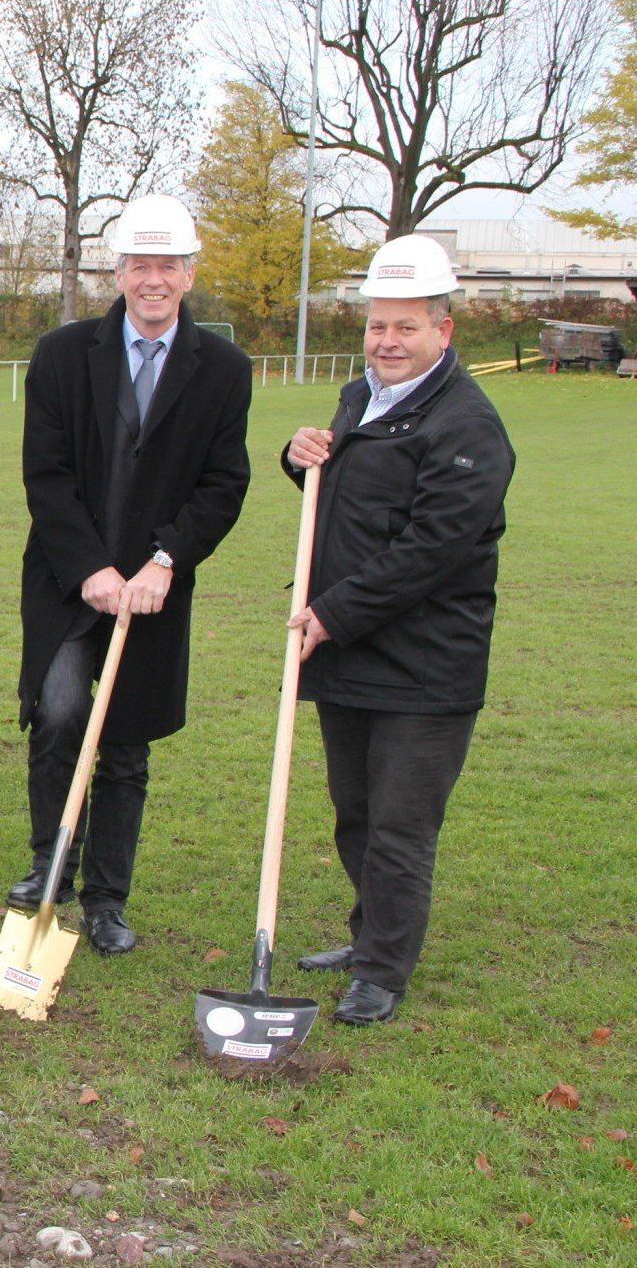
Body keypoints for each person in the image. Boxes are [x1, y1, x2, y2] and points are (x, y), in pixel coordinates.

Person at [283, 234, 514, 1026]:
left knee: (400, 825)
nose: (388, 340)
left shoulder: (468, 426)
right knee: (355, 811)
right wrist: (299, 456)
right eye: (379, 324)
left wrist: (332, 612)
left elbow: (429, 551)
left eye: (406, 326)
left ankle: (382, 969)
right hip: (351, 653)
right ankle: (368, 936)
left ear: (443, 331)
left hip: (425, 667)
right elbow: (351, 497)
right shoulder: (361, 399)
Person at [12, 194, 252, 956]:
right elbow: (46, 472)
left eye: (168, 266)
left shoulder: (223, 369)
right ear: (117, 273)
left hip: (153, 590)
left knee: (125, 740)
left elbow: (224, 482)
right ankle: (52, 862)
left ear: (189, 274)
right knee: (58, 712)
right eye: (140, 265)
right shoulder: (62, 354)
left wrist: (164, 560)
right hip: (67, 578)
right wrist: (89, 565)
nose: (154, 279)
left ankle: (107, 898)